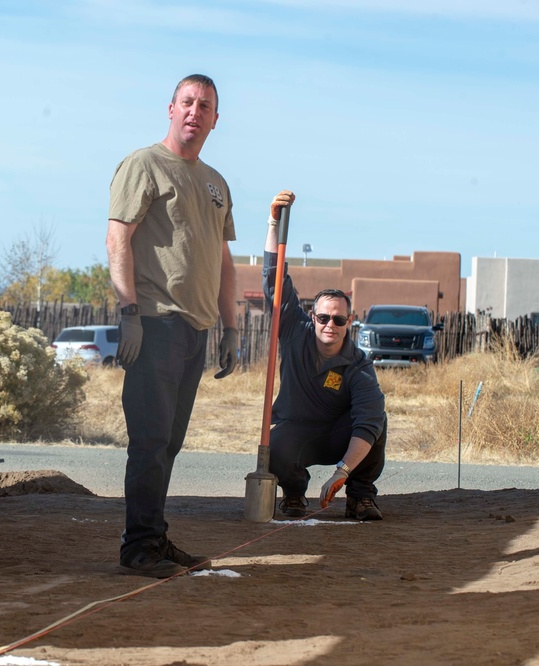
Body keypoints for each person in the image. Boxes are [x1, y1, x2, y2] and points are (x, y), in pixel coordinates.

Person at [106, 74, 239, 578]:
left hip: (196, 330)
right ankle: (138, 548)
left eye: (205, 105)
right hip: (155, 323)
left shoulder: (215, 182)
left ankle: (154, 538)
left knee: (171, 443)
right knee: (150, 438)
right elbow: (118, 238)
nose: (194, 111)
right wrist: (128, 313)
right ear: (170, 108)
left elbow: (223, 260)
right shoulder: (144, 164)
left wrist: (230, 327)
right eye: (187, 102)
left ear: (214, 119)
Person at [262, 190, 388, 521]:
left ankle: (360, 496)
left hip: (337, 437)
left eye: (338, 319)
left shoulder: (358, 365)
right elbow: (274, 280)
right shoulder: (293, 332)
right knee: (274, 445)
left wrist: (342, 471)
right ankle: (293, 494)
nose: (329, 324)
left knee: (377, 424)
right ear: (312, 316)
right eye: (323, 317)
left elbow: (369, 419)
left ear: (348, 323)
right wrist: (274, 222)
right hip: (297, 431)